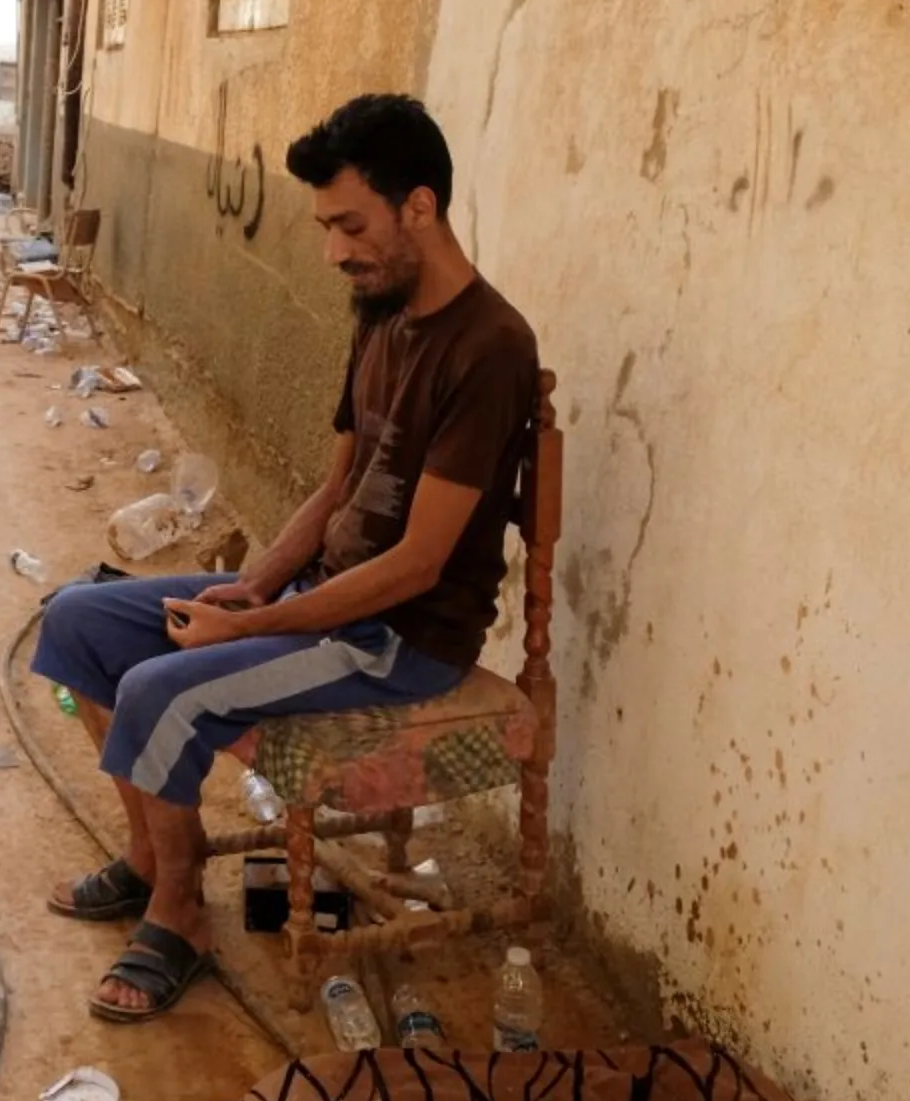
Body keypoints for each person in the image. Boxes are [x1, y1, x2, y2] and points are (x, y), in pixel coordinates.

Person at [32, 93, 538, 1022]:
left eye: (350, 225)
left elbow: (420, 564)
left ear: (418, 208)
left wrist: (254, 625)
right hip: (321, 600)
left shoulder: (490, 347)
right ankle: (151, 863)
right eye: (326, 227)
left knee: (156, 686)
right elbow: (335, 486)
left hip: (399, 636)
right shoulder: (379, 312)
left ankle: (182, 916)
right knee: (77, 619)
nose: (334, 251)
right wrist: (256, 582)